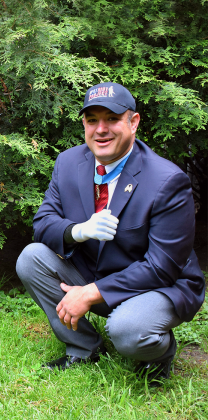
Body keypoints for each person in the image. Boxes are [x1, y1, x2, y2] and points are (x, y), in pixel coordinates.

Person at [16, 82, 205, 381]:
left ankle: (159, 353)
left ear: (133, 122)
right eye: (92, 120)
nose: (101, 129)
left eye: (112, 119)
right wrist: (78, 231)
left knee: (127, 330)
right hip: (98, 272)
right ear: (84, 125)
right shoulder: (68, 162)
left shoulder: (168, 181)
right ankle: (84, 348)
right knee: (31, 258)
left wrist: (90, 293)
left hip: (156, 285)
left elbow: (162, 267)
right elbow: (43, 223)